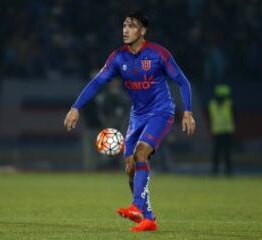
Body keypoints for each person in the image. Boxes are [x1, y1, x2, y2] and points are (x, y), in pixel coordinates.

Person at [64, 11, 195, 232]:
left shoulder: (158, 54)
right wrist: (75, 107)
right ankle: (149, 218)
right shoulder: (118, 57)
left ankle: (136, 206)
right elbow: (97, 83)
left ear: (142, 31)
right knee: (130, 166)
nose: (125, 30)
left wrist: (188, 111)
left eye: (132, 26)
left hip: (161, 111)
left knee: (141, 152)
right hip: (138, 115)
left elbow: (182, 81)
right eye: (124, 25)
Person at [208, 84, 235, 176]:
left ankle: (218, 171)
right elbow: (235, 116)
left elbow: (209, 118)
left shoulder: (212, 104)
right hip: (223, 131)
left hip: (221, 131)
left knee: (220, 152)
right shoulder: (229, 103)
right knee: (223, 152)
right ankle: (226, 171)